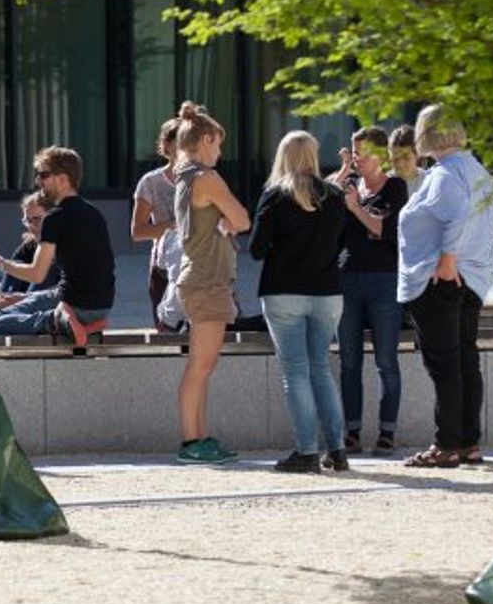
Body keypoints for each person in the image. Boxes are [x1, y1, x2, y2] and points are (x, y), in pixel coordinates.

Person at [397, 105, 493, 468]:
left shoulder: (445, 173)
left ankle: (446, 445)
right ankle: (469, 442)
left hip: (441, 278)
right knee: (465, 361)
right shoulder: (476, 170)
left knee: (444, 364)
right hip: (470, 279)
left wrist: (447, 260)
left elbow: (455, 216)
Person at [250, 131, 351, 474]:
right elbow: (343, 243)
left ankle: (307, 451)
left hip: (284, 291)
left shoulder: (274, 195)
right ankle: (337, 449)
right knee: (320, 369)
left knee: (296, 372)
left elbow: (256, 249)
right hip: (327, 292)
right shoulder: (335, 196)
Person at [171, 102, 251, 464]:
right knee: (200, 367)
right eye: (218, 144)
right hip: (207, 279)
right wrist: (229, 220)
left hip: (200, 278)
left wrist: (226, 221)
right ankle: (192, 441)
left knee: (203, 366)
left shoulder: (183, 175)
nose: (220, 152)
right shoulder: (205, 177)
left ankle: (200, 436)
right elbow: (243, 219)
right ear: (206, 140)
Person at [0, 147, 115, 341]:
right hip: (103, 306)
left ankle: (54, 322)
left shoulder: (54, 218)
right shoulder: (95, 213)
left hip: (73, 305)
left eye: (43, 175)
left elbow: (37, 274)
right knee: (15, 310)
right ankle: (74, 323)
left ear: (63, 179)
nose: (37, 181)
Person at [329, 126, 409, 454]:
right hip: (347, 279)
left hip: (384, 280)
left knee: (386, 359)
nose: (356, 157)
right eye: (353, 151)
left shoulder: (395, 188)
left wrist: (356, 210)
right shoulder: (349, 186)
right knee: (349, 360)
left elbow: (386, 230)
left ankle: (387, 430)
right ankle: (352, 431)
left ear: (381, 156)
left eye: (361, 153)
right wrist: (343, 175)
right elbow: (324, 210)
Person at [131, 118, 183, 330]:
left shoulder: (205, 179)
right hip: (164, 264)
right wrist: (175, 224)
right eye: (181, 141)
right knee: (166, 333)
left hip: (202, 262)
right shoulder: (150, 182)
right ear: (167, 144)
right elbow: (138, 232)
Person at [0, 192, 61, 315]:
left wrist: (25, 298)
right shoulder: (29, 246)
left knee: (46, 267)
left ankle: (2, 319)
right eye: (28, 220)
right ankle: (2, 317)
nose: (32, 226)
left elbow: (68, 289)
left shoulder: (68, 245)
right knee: (16, 265)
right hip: (24, 303)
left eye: (37, 219)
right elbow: (6, 275)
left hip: (54, 305)